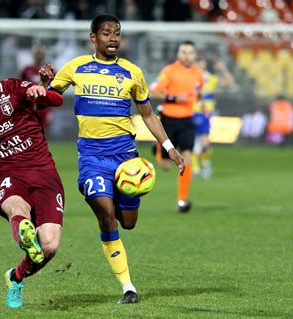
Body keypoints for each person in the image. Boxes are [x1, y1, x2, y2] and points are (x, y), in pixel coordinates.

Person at [40, 14, 184, 304]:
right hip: (92, 158)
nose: (113, 38)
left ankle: (120, 196)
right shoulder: (76, 67)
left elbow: (147, 114)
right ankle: (128, 287)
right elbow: (47, 98)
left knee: (127, 222)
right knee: (106, 216)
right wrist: (45, 85)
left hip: (126, 159)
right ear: (94, 37)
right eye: (107, 33)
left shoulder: (132, 72)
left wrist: (168, 146)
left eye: (117, 33)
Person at [0, 55, 65, 308]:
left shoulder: (15, 88)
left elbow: (58, 100)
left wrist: (42, 92)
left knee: (50, 246)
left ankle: (15, 276)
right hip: (8, 173)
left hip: (44, 172)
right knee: (18, 210)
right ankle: (24, 235)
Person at [149, 40, 204, 213]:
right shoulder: (169, 71)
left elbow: (198, 92)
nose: (187, 55)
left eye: (190, 52)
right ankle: (159, 148)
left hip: (187, 120)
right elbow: (152, 92)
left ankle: (182, 199)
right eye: (184, 52)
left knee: (187, 158)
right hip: (168, 120)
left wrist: (201, 104)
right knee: (165, 166)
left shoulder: (198, 73)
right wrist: (173, 98)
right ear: (179, 54)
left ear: (194, 55)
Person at [191, 56, 234, 178]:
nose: (199, 66)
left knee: (204, 141)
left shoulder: (210, 78)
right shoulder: (190, 77)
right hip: (189, 112)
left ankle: (204, 165)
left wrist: (222, 69)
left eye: (201, 64)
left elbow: (230, 83)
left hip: (203, 113)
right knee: (192, 142)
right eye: (198, 63)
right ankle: (196, 168)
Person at [21, 46, 53, 130]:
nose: (39, 56)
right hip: (30, 105)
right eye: (37, 54)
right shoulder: (27, 69)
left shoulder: (48, 69)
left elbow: (54, 86)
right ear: (33, 55)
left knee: (44, 128)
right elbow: (21, 85)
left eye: (40, 54)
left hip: (44, 104)